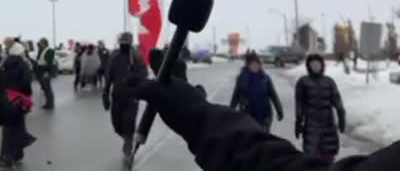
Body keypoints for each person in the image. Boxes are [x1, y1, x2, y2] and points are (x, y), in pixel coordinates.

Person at [127, 74, 399, 171]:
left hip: (268, 120)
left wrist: (202, 120)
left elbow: (273, 96)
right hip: (250, 118)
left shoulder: (324, 83)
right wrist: (215, 115)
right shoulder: (252, 78)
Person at [102, 32, 148, 163]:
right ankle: (127, 140)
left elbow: (144, 75)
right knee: (117, 126)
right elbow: (108, 75)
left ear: (130, 42)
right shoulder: (114, 56)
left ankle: (128, 151)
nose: (123, 44)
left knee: (128, 127)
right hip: (117, 98)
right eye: (121, 42)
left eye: (126, 42)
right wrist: (105, 92)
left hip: (131, 98)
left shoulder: (136, 57)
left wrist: (136, 80)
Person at [295, 53, 346, 163]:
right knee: (311, 157)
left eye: (318, 64)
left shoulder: (329, 82)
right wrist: (298, 121)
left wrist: (341, 115)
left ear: (322, 65)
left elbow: (337, 100)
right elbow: (299, 103)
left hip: (328, 125)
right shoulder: (303, 82)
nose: (315, 67)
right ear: (309, 66)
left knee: (328, 155)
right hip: (311, 126)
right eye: (313, 64)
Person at [0, 38, 36, 169]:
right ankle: (9, 158)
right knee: (15, 129)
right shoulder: (22, 65)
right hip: (17, 100)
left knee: (9, 130)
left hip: (5, 99)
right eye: (23, 52)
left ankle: (9, 156)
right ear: (19, 52)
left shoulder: (4, 63)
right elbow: (26, 84)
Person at [230, 53, 284, 132]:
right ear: (248, 65)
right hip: (247, 114)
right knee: (250, 139)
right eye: (252, 64)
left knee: (263, 139)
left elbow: (273, 95)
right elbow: (235, 96)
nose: (255, 66)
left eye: (257, 64)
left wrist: (279, 110)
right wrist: (231, 112)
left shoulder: (265, 78)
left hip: (264, 115)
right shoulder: (242, 78)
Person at [35, 37, 55, 110]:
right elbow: (38, 59)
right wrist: (39, 49)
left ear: (44, 43)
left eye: (41, 43)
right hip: (41, 71)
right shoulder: (42, 50)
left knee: (47, 88)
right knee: (45, 89)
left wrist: (47, 72)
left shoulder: (49, 50)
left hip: (45, 71)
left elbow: (49, 63)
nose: (40, 45)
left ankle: (50, 104)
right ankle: (48, 103)